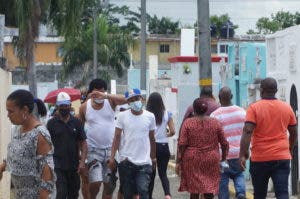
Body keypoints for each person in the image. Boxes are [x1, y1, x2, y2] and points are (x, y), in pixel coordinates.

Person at [239, 77, 297, 199]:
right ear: (276, 90)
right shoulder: (287, 107)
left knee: (260, 195)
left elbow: (248, 131)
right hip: (281, 157)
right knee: (282, 193)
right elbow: (294, 132)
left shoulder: (254, 108)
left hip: (260, 157)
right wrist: (290, 148)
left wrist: (243, 154)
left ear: (261, 90)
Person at [0, 89, 55, 199]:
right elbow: (18, 156)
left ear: (24, 110)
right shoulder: (17, 130)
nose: (8, 115)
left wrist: (43, 195)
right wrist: (3, 167)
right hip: (20, 194)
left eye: (11, 111)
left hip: (35, 195)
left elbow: (47, 169)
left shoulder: (39, 134)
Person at [78, 78, 127, 199]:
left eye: (102, 91)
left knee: (109, 185)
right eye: (97, 92)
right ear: (91, 92)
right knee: (96, 181)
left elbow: (126, 99)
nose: (99, 94)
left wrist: (106, 96)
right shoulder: (84, 107)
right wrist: (81, 155)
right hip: (93, 150)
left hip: (110, 151)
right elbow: (79, 132)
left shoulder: (110, 102)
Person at [108, 88, 156, 199]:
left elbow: (152, 138)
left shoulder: (150, 116)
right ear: (128, 102)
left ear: (141, 98)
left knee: (143, 190)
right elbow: (117, 137)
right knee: (127, 194)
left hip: (144, 162)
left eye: (136, 98)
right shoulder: (122, 116)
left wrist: (153, 158)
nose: (135, 101)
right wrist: (112, 157)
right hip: (126, 161)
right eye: (131, 100)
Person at [176, 98, 229, 199]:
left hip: (192, 160)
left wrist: (179, 161)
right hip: (211, 159)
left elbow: (182, 144)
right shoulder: (215, 123)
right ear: (206, 109)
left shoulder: (188, 123)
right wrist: (224, 158)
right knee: (209, 187)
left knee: (194, 189)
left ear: (194, 110)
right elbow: (224, 143)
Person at [47, 91, 87, 199]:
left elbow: (83, 143)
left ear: (70, 105)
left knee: (73, 194)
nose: (64, 108)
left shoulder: (77, 122)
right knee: (61, 193)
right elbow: (46, 144)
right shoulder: (51, 124)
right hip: (58, 165)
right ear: (57, 107)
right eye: (62, 106)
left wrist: (82, 162)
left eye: (66, 105)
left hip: (74, 165)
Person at [210, 87, 246, 199]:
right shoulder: (242, 112)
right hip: (238, 153)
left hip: (222, 155)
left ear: (219, 98)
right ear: (231, 96)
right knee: (239, 174)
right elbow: (247, 132)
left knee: (222, 179)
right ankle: (240, 193)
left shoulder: (214, 116)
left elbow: (212, 138)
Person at [146, 92, 175, 199]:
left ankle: (149, 196)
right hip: (163, 146)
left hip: (151, 147)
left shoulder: (146, 114)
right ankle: (167, 195)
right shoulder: (167, 114)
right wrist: (164, 134)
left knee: (151, 175)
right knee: (163, 174)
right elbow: (172, 131)